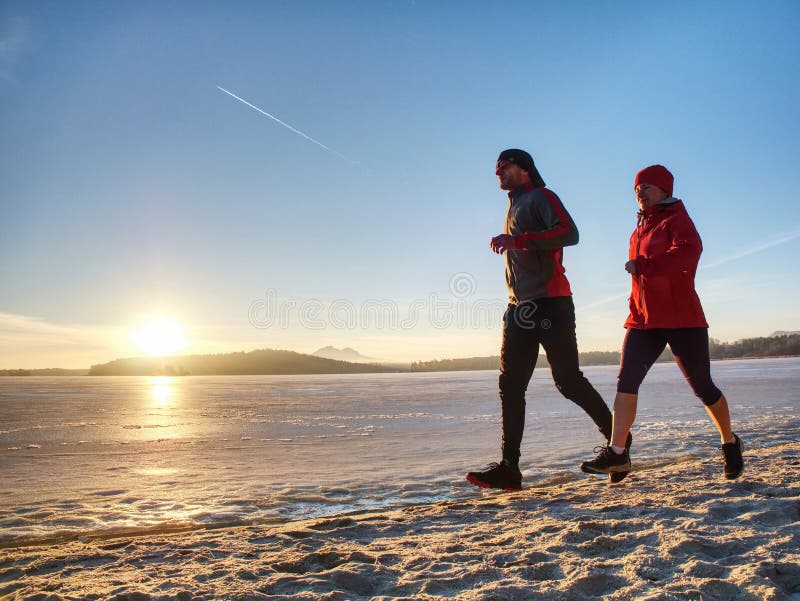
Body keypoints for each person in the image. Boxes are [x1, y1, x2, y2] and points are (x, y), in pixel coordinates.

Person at [580, 164, 744, 480]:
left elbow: (688, 253)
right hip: (643, 320)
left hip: (682, 317)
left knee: (702, 387)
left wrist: (647, 264)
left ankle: (729, 441)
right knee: (626, 382)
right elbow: (639, 279)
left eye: (647, 187)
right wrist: (635, 303)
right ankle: (617, 453)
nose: (640, 193)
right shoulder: (638, 230)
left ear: (664, 190)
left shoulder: (677, 220)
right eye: (637, 189)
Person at [466, 149, 616, 491]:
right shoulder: (513, 205)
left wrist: (517, 240)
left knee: (568, 381)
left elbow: (570, 233)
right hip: (519, 308)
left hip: (552, 303)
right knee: (511, 386)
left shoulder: (542, 197)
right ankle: (509, 468)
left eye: (504, 166)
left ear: (524, 168)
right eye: (496, 168)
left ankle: (618, 441)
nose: (498, 173)